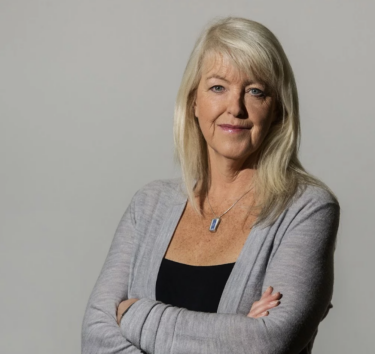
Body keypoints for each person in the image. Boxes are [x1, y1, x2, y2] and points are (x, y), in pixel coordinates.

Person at [81, 16, 340, 354]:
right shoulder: (148, 206)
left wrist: (134, 315)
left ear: (277, 110)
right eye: (218, 87)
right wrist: (232, 334)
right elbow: (95, 339)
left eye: (256, 91)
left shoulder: (307, 209)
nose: (235, 107)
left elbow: (268, 341)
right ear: (193, 102)